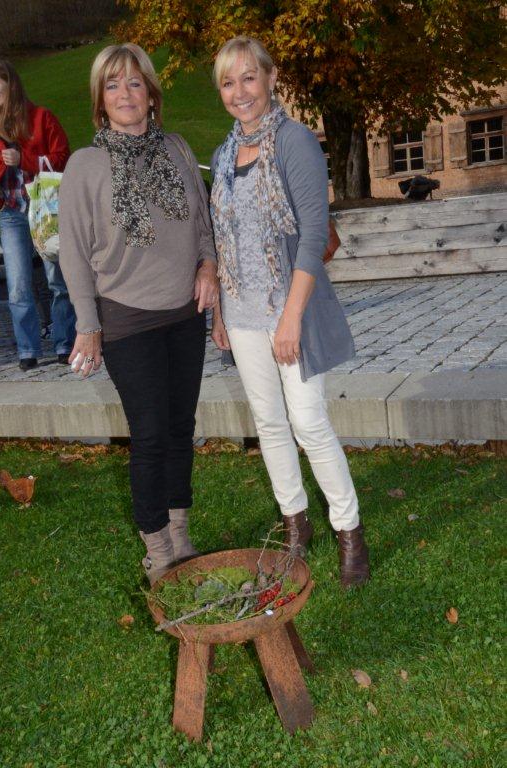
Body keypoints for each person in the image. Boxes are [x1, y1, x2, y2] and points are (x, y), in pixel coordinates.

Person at [210, 37, 369, 587]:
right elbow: (224, 240)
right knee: (270, 423)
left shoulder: (294, 140)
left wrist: (291, 317)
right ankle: (295, 523)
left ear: (271, 78)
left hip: (289, 309)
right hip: (242, 313)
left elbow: (314, 234)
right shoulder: (224, 155)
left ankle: (349, 530)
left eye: (248, 78)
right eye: (228, 82)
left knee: (308, 421)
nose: (240, 92)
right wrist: (220, 313)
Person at [59, 43, 218, 585]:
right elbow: (74, 252)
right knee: (149, 434)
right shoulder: (85, 165)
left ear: (151, 94)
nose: (124, 94)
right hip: (127, 318)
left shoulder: (176, 148)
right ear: (100, 101)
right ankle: (158, 551)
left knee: (180, 428)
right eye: (112, 85)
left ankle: (181, 534)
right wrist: (88, 325)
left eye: (134, 83)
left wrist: (208, 265)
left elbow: (202, 221)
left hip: (184, 312)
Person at [0, 60, 76, 370]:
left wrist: (24, 159)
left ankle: (65, 343)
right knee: (18, 285)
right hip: (10, 213)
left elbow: (63, 157)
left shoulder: (41, 117)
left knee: (58, 280)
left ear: (12, 86)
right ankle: (27, 351)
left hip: (46, 210)